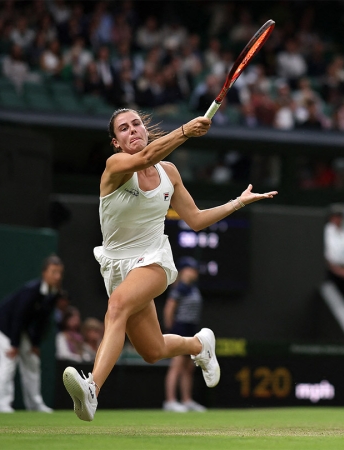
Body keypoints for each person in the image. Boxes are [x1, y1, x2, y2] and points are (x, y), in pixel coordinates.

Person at [62, 109, 277, 422]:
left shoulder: (169, 173)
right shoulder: (116, 165)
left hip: (153, 260)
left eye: (136, 124)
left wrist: (238, 202)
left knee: (117, 306)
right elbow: (146, 157)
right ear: (116, 142)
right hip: (117, 267)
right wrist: (186, 131)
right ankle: (199, 345)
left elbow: (196, 220)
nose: (133, 130)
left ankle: (92, 388)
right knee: (152, 351)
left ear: (145, 129)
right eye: (124, 128)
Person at [0, 255, 64, 413]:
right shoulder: (31, 290)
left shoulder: (54, 293)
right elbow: (17, 317)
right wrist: (14, 345)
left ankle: (34, 404)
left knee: (32, 361)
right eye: (53, 272)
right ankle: (1, 404)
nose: (57, 276)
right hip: (4, 325)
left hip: (21, 329)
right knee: (8, 360)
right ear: (44, 273)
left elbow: (43, 321)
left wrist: (35, 344)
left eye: (59, 273)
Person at [162, 257, 206, 413]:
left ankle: (187, 400)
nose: (194, 272)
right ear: (183, 271)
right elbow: (169, 309)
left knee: (189, 367)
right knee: (177, 365)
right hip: (180, 328)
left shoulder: (192, 288)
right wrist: (172, 330)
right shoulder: (180, 288)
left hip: (191, 328)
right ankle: (170, 401)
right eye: (190, 269)